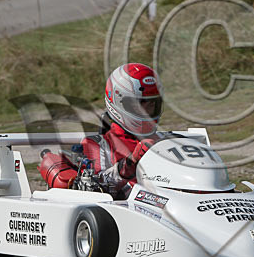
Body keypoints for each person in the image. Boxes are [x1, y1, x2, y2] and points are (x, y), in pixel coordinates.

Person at [37, 63, 163, 198]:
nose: (146, 112)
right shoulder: (98, 145)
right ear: (119, 102)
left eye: (151, 104)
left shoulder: (165, 140)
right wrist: (129, 164)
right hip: (129, 209)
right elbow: (97, 187)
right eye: (139, 104)